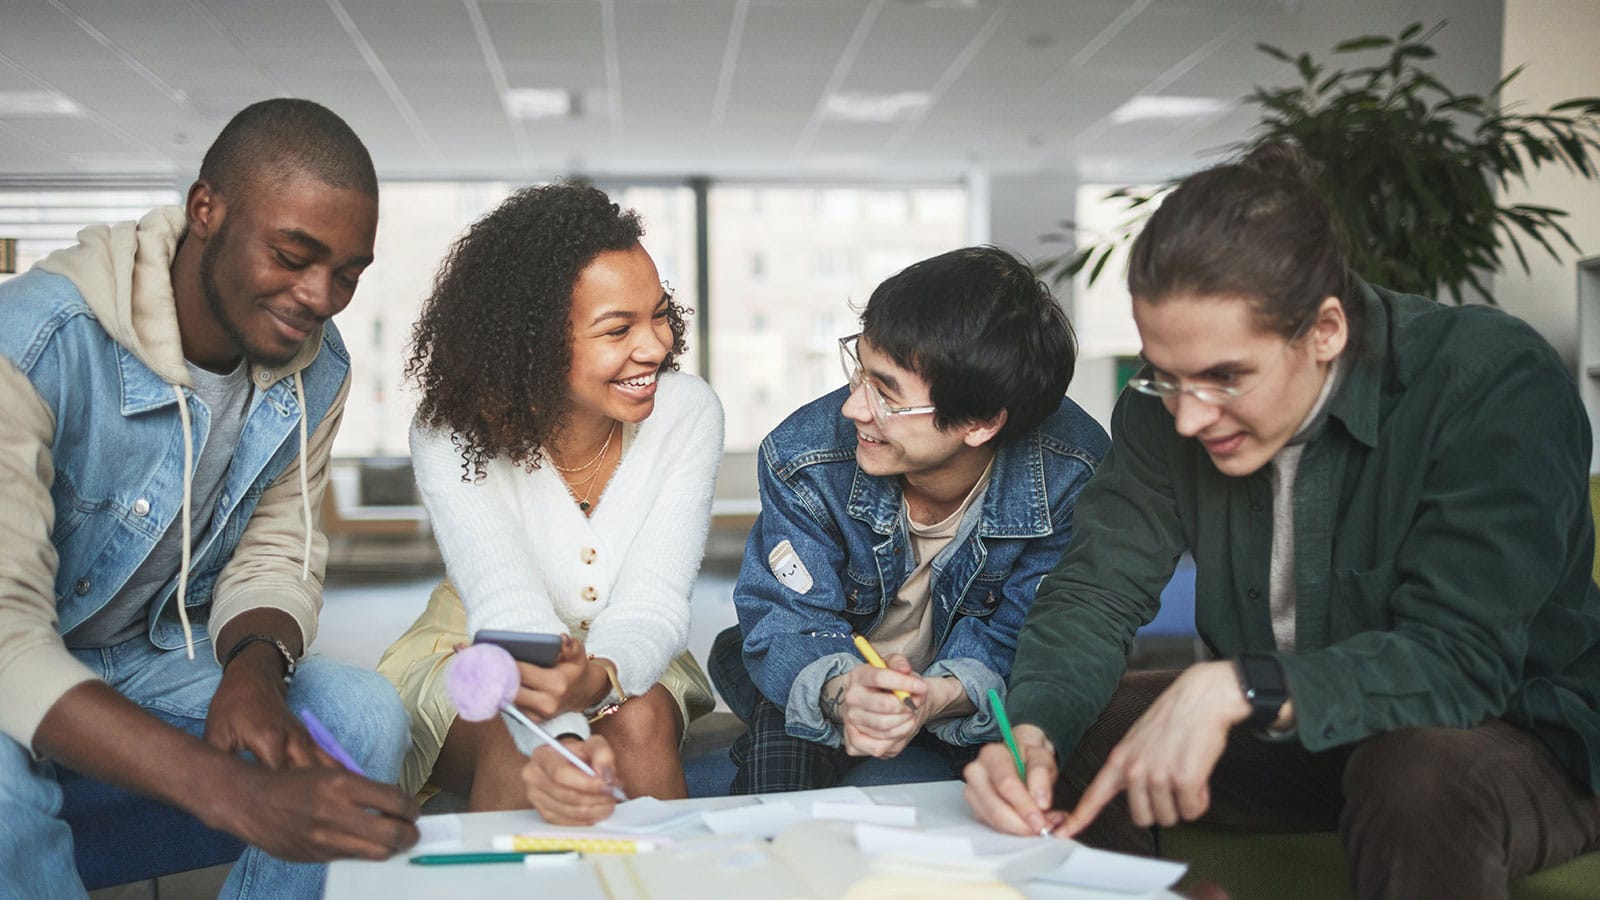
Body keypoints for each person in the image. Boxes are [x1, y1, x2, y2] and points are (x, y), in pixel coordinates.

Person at [964, 143, 1600, 898]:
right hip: (1303, 735)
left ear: (1325, 330)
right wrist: (1032, 731)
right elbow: (1096, 593)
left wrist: (1239, 686)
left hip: (1514, 735)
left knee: (1413, 772)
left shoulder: (1491, 381)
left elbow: (1463, 660)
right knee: (1082, 723)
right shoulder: (1159, 409)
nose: (1189, 416)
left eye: (1226, 377)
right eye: (1165, 374)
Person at [0, 99, 420, 899]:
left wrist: (254, 671)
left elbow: (278, 548)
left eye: (347, 274)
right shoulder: (30, 346)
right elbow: (7, 644)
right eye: (293, 255)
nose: (319, 296)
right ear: (206, 210)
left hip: (148, 653)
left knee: (360, 714)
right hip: (19, 651)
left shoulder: (317, 366)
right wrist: (238, 792)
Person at [376, 181, 722, 825]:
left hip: (634, 644)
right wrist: (561, 735)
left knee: (639, 719)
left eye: (659, 314)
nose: (656, 346)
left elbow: (652, 599)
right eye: (618, 328)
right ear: (531, 341)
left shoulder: (687, 413)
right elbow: (508, 604)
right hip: (480, 645)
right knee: (519, 737)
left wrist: (604, 676)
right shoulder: (450, 431)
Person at [708, 246, 1110, 794]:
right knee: (778, 739)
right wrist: (848, 691)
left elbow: (1032, 638)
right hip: (835, 657)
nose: (854, 409)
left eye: (888, 395)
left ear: (980, 422)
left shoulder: (1071, 469)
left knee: (1030, 769)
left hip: (971, 680)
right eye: (860, 373)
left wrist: (937, 697)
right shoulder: (804, 454)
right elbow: (787, 620)